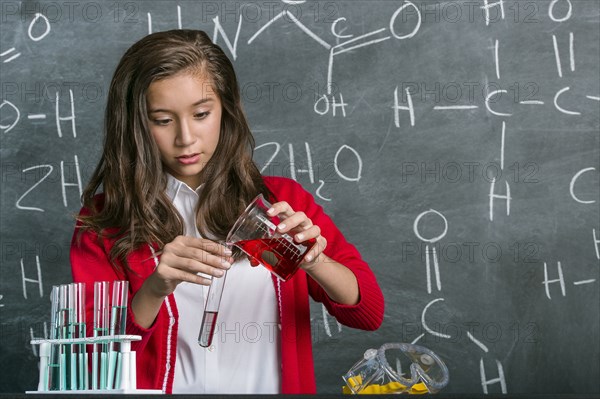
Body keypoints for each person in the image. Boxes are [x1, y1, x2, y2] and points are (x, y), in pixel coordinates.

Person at [70, 29, 384, 394]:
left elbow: (368, 312)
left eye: (201, 113)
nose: (186, 138)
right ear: (136, 122)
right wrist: (155, 288)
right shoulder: (105, 222)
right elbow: (92, 358)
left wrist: (315, 261)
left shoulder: (281, 200)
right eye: (162, 119)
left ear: (226, 109)